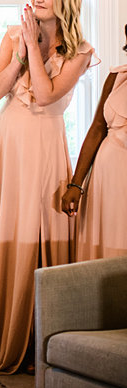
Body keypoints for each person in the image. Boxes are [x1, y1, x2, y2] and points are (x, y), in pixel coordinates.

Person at [0, 0, 96, 373]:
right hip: (8, 141)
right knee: (9, 228)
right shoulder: (12, 35)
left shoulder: (81, 51)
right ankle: (1, 334)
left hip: (45, 145)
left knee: (42, 233)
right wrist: (20, 52)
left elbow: (45, 93)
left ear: (66, 2)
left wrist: (35, 50)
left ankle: (41, 340)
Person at [61, 24, 127, 260]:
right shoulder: (117, 76)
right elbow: (97, 129)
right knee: (102, 256)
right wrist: (76, 185)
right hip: (105, 180)